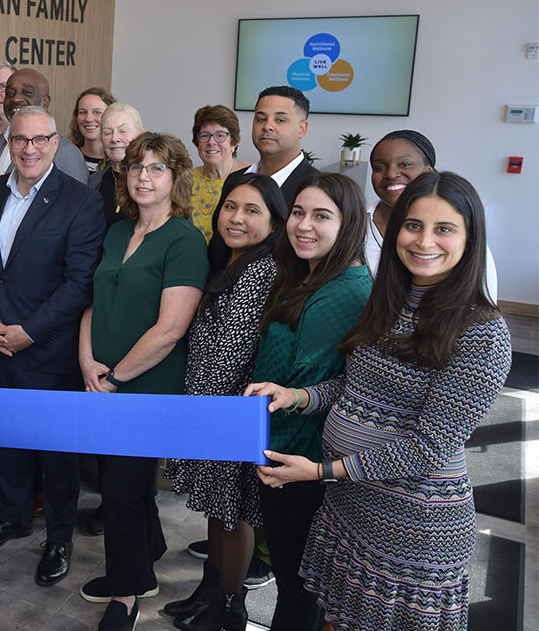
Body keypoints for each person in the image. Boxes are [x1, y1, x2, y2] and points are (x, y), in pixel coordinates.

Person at [251, 171, 512, 631]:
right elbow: (352, 390)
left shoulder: (481, 332)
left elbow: (428, 448)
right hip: (351, 508)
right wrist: (296, 395)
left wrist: (318, 471)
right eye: (413, 225)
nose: (424, 240)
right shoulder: (389, 302)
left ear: (470, 239)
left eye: (444, 228)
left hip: (412, 528)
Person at [0, 106, 104, 588]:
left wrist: (29, 331)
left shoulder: (81, 202)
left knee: (56, 452)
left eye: (39, 140)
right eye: (20, 140)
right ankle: (15, 517)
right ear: (9, 144)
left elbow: (79, 283)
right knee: (8, 440)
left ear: (56, 143)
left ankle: (59, 537)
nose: (29, 149)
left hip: (46, 350)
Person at [74, 133, 208, 631]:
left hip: (146, 387)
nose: (143, 177)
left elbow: (170, 330)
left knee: (122, 492)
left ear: (175, 179)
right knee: (121, 478)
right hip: (102, 379)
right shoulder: (116, 232)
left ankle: (127, 592)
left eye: (155, 169)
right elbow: (91, 302)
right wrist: (88, 361)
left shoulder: (185, 240)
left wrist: (118, 376)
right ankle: (147, 553)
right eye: (135, 168)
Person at [244, 173, 372, 631]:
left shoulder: (345, 291)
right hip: (287, 451)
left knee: (299, 588)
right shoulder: (312, 277)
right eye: (298, 212)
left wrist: (276, 463)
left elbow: (311, 384)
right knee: (297, 582)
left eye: (321, 216)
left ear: (349, 225)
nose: (303, 225)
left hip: (299, 461)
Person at [161, 175, 287, 631]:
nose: (236, 218)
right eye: (230, 207)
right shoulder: (232, 260)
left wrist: (200, 416)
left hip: (229, 412)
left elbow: (230, 353)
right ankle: (212, 587)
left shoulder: (261, 270)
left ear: (274, 222)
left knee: (232, 515)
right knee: (219, 511)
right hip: (214, 409)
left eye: (252, 211)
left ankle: (230, 609)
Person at [365, 130, 498, 302]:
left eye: (405, 164)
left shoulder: (460, 239)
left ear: (428, 172)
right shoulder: (355, 223)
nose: (390, 174)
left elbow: (484, 303)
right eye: (380, 168)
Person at [0, 68, 88, 182]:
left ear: (45, 102)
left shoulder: (66, 152)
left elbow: (75, 198)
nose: (16, 98)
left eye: (27, 92)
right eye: (10, 93)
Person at [222, 86, 319, 208]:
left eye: (280, 120)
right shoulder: (235, 180)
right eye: (261, 119)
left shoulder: (318, 189)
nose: (267, 126)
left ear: (302, 129)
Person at [189, 105, 251, 242]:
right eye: (205, 135)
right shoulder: (185, 180)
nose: (211, 142)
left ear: (234, 142)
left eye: (220, 135)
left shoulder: (251, 177)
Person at [88, 103, 144, 230]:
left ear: (140, 134)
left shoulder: (152, 180)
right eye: (107, 132)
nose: (114, 138)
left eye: (123, 131)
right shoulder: (93, 182)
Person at [68, 88, 116, 175]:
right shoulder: (66, 156)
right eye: (83, 112)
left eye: (97, 112)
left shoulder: (120, 161)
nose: (88, 119)